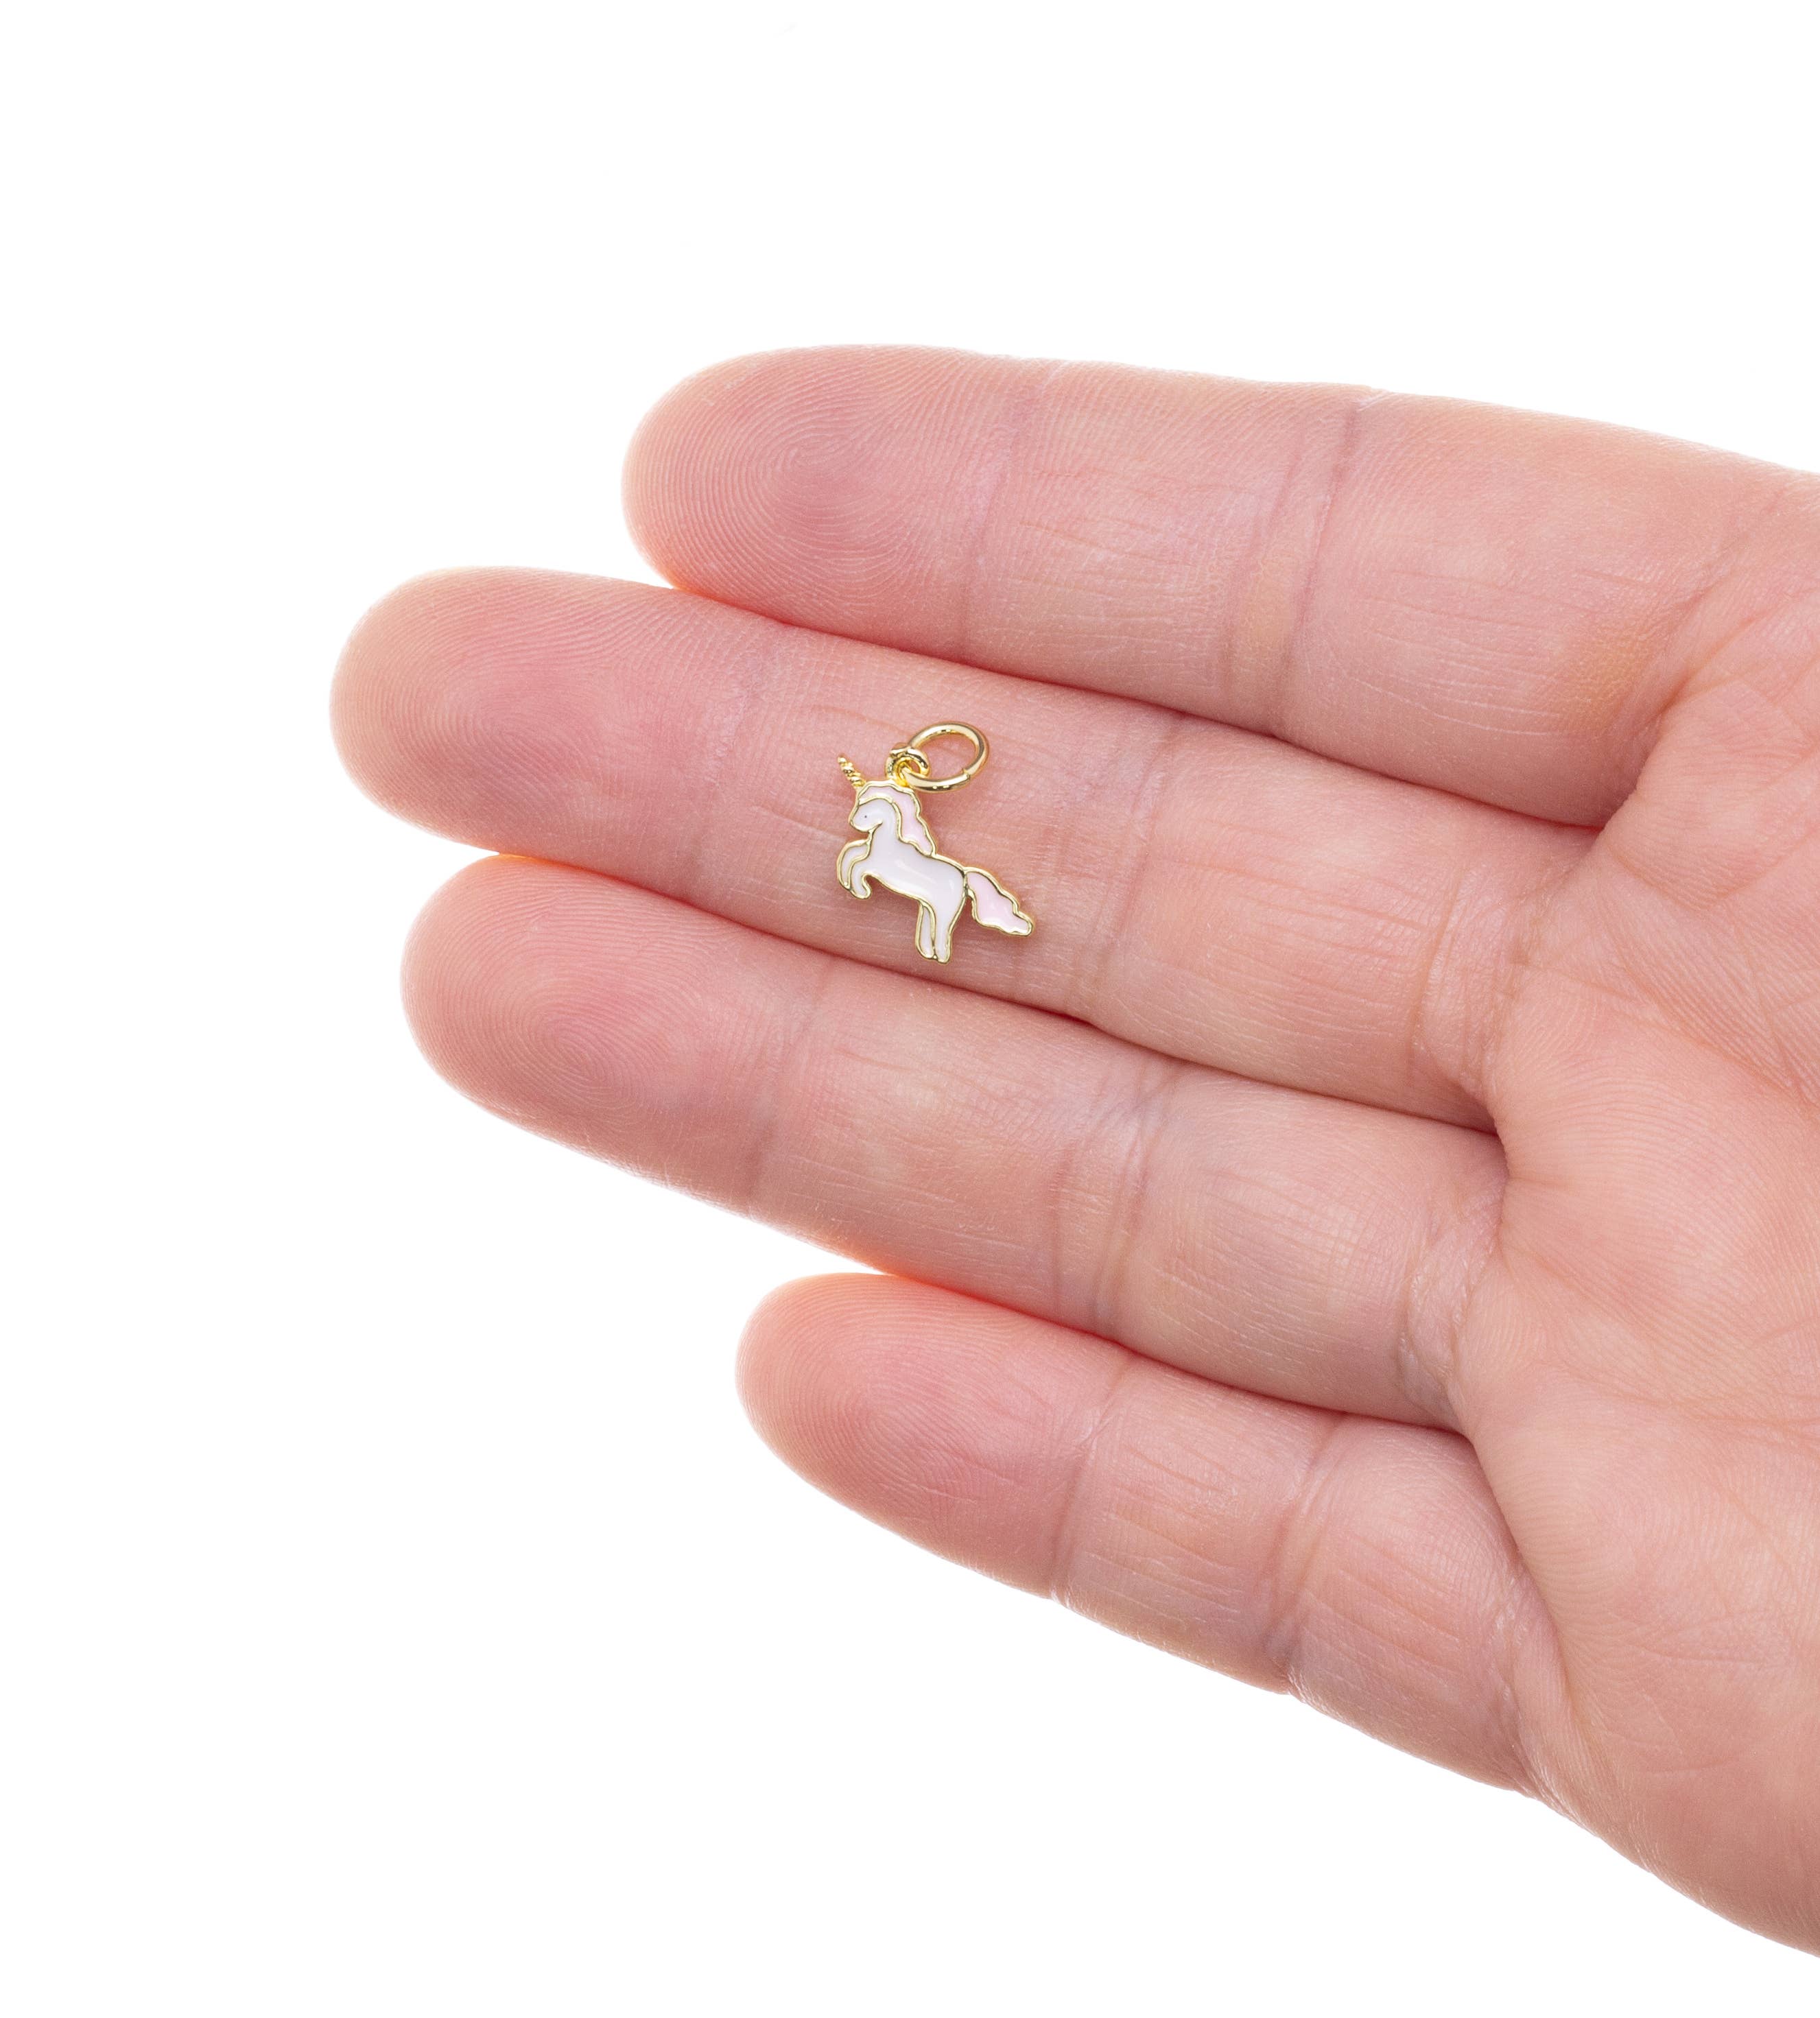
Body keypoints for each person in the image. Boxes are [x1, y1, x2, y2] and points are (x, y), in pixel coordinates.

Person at [331, 346, 1820, 1952]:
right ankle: (969, 916)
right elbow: (876, 802)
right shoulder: (885, 799)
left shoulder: (902, 808)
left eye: (901, 780)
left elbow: (890, 807)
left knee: (930, 898)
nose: (890, 787)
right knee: (900, 898)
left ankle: (972, 917)